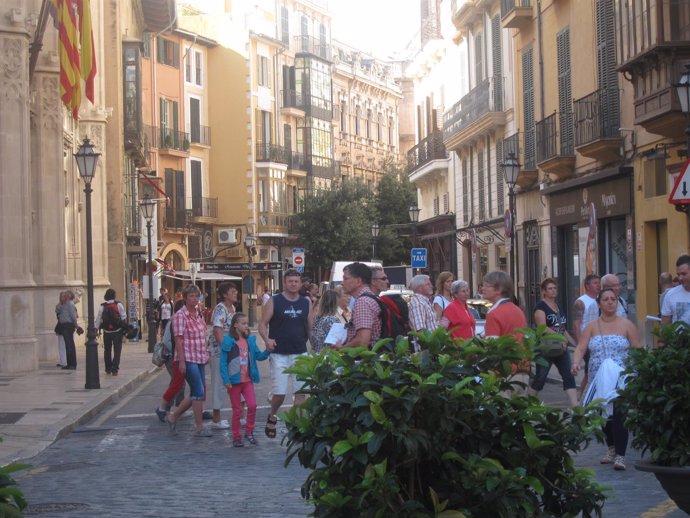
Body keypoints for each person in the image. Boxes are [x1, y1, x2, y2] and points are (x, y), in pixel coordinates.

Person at [572, 287, 641, 471]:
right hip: (599, 377)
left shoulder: (627, 325)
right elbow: (580, 347)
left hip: (621, 378)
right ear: (599, 303)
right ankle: (610, 448)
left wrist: (640, 371)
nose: (610, 302)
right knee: (604, 415)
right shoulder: (592, 326)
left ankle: (620, 455)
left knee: (619, 414)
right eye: (606, 299)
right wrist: (576, 363)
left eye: (613, 299)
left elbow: (638, 349)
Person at [258, 269, 312, 438]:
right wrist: (266, 340)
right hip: (279, 354)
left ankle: (297, 426)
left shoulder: (306, 302)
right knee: (280, 394)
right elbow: (262, 324)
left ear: (301, 283)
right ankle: (272, 415)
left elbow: (310, 327)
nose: (293, 284)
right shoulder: (275, 301)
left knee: (300, 394)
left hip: (300, 353)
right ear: (284, 282)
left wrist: (315, 347)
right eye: (290, 281)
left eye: (296, 281)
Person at [166, 284, 212, 437]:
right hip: (188, 357)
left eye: (196, 296)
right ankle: (199, 427)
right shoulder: (180, 316)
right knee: (198, 391)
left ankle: (173, 416)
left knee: (196, 392)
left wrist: (206, 352)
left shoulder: (199, 313)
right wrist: (182, 362)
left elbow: (203, 333)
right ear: (185, 298)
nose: (194, 299)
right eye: (191, 296)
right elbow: (178, 340)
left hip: (199, 356)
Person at [220, 312, 272, 447]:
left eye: (247, 323)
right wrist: (226, 380)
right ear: (235, 325)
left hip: (247, 380)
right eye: (243, 324)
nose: (246, 326)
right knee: (237, 410)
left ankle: (249, 432)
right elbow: (223, 363)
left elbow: (259, 356)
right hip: (234, 381)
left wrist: (268, 350)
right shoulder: (229, 341)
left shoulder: (250, 341)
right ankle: (236, 436)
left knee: (253, 405)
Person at [527, 278, 578, 407]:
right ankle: (527, 404)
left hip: (562, 348)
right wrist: (560, 338)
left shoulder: (558, 306)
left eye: (555, 288)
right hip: (546, 348)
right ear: (544, 291)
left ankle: (575, 407)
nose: (553, 291)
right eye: (550, 288)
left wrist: (574, 343)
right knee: (540, 378)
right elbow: (543, 328)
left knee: (568, 375)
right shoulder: (540, 307)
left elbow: (562, 328)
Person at [482, 271, 528, 392]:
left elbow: (492, 347)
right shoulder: (518, 311)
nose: (483, 288)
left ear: (499, 290)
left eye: (487, 285)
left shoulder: (494, 313)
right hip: (522, 370)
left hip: (503, 373)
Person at [206, 282, 239, 430]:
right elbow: (218, 330)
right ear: (225, 294)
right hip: (220, 351)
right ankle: (216, 417)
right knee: (219, 382)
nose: (236, 293)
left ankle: (239, 413)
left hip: (231, 348)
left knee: (237, 379)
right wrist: (225, 348)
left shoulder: (233, 308)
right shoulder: (221, 308)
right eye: (233, 291)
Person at [335, 262, 381, 349]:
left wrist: (341, 348)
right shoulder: (371, 298)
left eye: (346, 279)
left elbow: (363, 340)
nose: (342, 282)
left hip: (364, 359)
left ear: (358, 281)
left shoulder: (363, 302)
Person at [155, 299, 186, 422]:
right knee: (178, 383)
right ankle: (168, 408)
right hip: (172, 357)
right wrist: (175, 354)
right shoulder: (174, 321)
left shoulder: (179, 320)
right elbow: (167, 341)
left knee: (177, 382)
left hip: (177, 356)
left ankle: (171, 408)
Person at [572, 274, 601, 400]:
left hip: (598, 340)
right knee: (589, 371)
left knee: (591, 371)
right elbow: (576, 324)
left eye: (599, 283)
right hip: (587, 341)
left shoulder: (600, 300)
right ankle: (580, 397)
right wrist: (580, 344)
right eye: (595, 283)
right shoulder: (581, 302)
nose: (598, 285)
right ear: (587, 286)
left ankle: (583, 397)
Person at [95, 289, 127, 376]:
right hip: (117, 331)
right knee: (117, 350)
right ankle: (115, 369)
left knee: (107, 350)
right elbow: (123, 317)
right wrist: (125, 328)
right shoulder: (118, 305)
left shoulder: (102, 306)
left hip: (106, 331)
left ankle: (108, 368)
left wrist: (95, 329)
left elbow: (98, 319)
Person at [661, 254, 690, 326]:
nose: (680, 278)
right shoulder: (670, 295)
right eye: (678, 274)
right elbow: (665, 327)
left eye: (684, 274)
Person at [55, 290, 78, 370]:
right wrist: (61, 302)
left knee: (70, 345)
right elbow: (57, 310)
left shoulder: (70, 304)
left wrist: (76, 325)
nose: (63, 297)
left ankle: (72, 364)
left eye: (65, 295)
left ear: (69, 296)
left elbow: (73, 316)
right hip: (64, 326)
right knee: (68, 345)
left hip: (68, 325)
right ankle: (69, 363)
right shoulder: (64, 304)